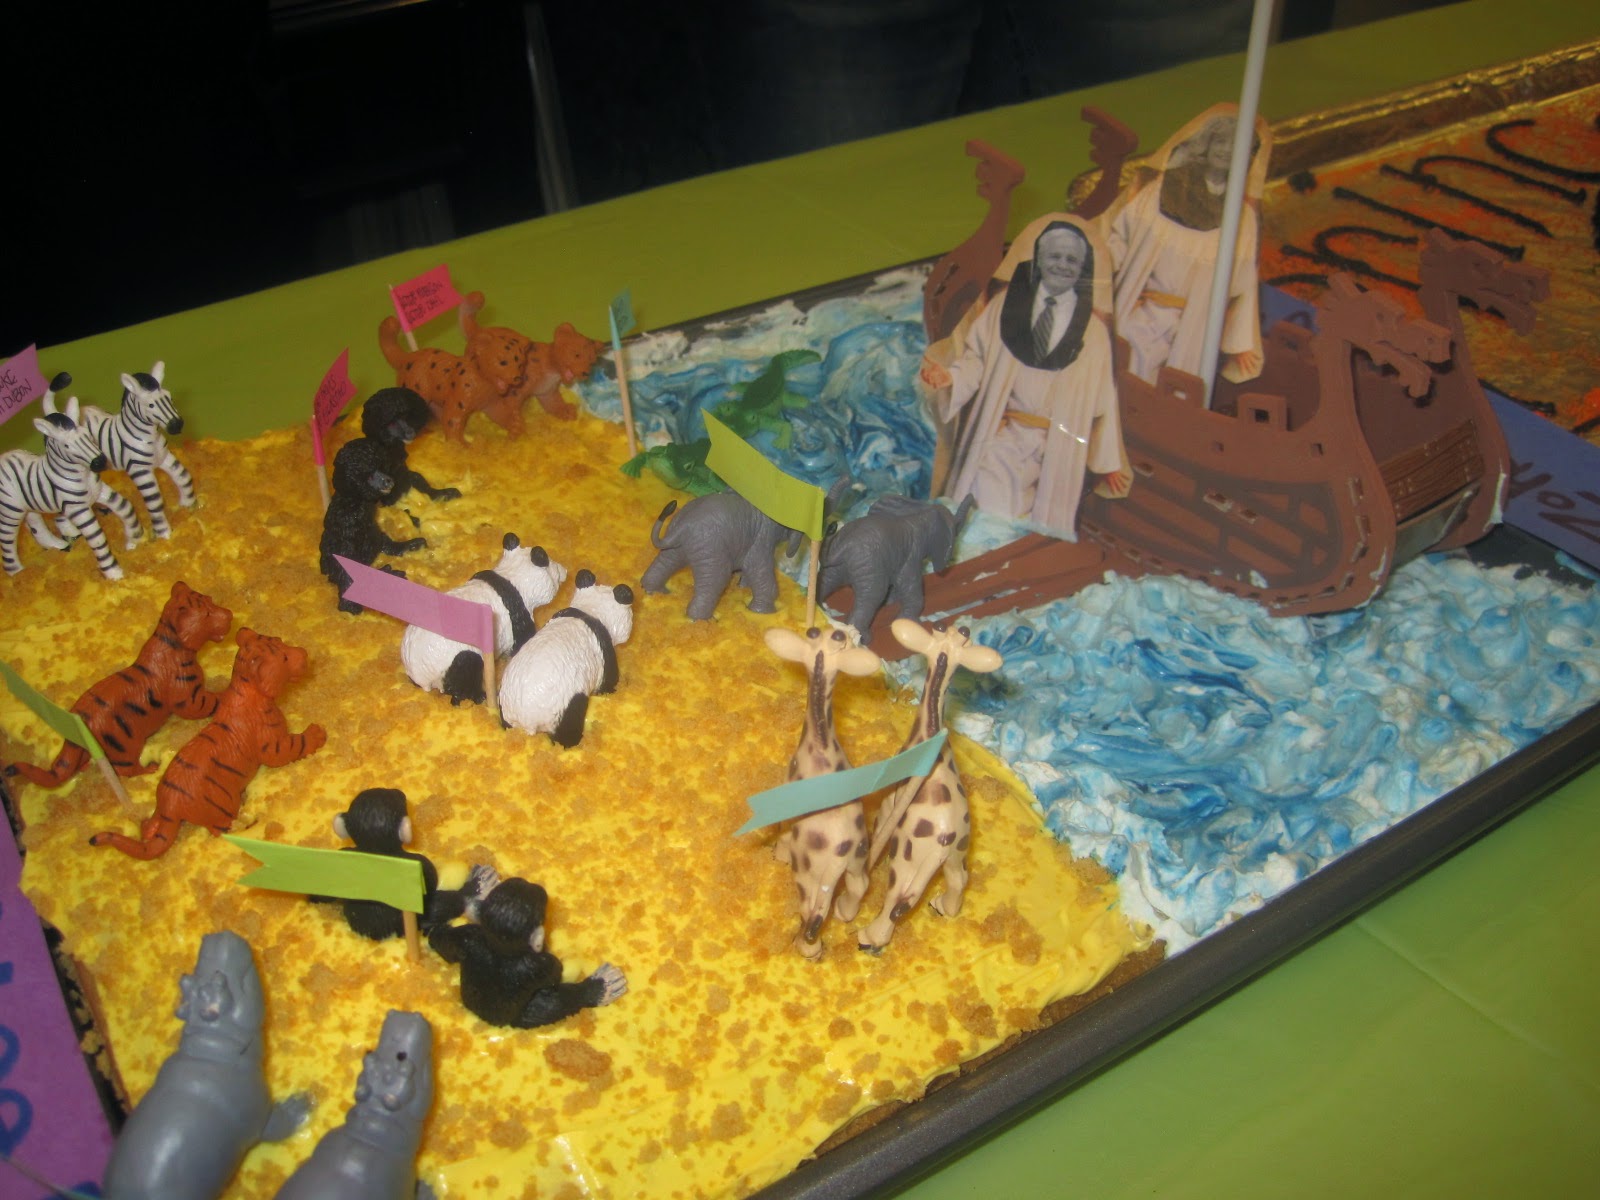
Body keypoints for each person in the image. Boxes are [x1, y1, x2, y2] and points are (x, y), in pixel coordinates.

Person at [922, 214, 1127, 537]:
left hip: (1056, 447)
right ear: (1038, 260)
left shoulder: (1094, 333)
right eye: (1055, 256)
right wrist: (951, 378)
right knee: (987, 503)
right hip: (1002, 436)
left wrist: (1107, 463)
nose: (1062, 265)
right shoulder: (1005, 307)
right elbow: (977, 359)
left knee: (1038, 524)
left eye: (1072, 260)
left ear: (1083, 268)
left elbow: (1102, 401)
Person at [1103, 104, 1271, 388]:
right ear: (1206, 144)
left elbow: (1242, 285)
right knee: (1125, 373)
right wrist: (1098, 275)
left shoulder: (1241, 219)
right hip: (1138, 312)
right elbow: (1121, 239)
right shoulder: (1162, 191)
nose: (1225, 151)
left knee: (1176, 386)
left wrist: (1239, 343)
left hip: (1191, 327)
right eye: (1220, 141)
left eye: (1236, 146)